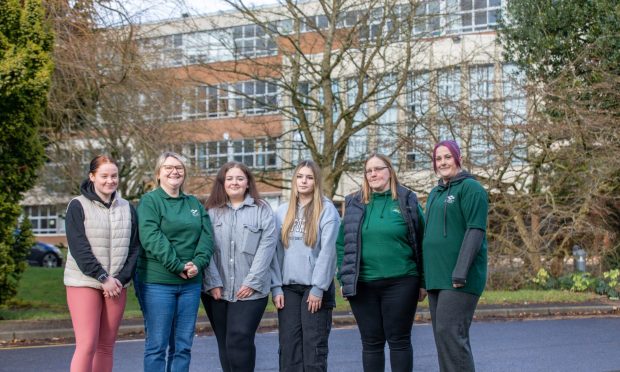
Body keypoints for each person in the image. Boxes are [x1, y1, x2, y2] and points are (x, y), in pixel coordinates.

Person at [336, 153, 426, 372]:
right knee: (371, 343)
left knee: (399, 341)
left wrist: (423, 281)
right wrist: (344, 278)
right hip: (363, 285)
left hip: (402, 283)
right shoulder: (354, 203)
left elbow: (422, 241)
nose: (373, 174)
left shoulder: (407, 200)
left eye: (378, 169)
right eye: (368, 171)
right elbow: (342, 244)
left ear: (389, 171)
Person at [137, 151, 213, 372]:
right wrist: (177, 266)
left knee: (183, 347)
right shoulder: (150, 202)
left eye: (179, 167)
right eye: (168, 167)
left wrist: (197, 263)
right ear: (158, 174)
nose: (174, 171)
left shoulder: (194, 204)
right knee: (157, 346)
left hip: (190, 284)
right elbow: (152, 237)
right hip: (157, 283)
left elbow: (206, 237)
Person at [64, 155, 140, 372]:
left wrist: (120, 279)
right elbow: (79, 248)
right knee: (87, 345)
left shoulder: (127, 208)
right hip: (84, 282)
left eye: (114, 176)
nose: (110, 180)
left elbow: (135, 248)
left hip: (117, 284)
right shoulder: (77, 205)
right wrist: (102, 277)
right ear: (92, 176)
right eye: (104, 175)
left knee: (106, 346)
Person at [202, 161, 276, 372]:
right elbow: (204, 249)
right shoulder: (210, 211)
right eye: (230, 178)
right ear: (222, 183)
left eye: (240, 178)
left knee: (240, 337)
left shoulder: (262, 210)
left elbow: (267, 247)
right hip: (216, 289)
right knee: (225, 343)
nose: (235, 182)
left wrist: (252, 281)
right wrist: (213, 281)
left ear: (247, 183)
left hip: (250, 290)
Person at [423, 140, 488, 372]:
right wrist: (423, 280)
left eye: (447, 157)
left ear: (458, 158)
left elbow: (475, 230)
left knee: (451, 334)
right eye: (438, 158)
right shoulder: (434, 193)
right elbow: (427, 237)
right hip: (436, 278)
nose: (443, 162)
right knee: (443, 338)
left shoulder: (472, 189)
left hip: (459, 278)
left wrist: (460, 272)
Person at [271, 160, 340, 372]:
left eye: (309, 177)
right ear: (294, 181)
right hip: (289, 288)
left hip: (315, 289)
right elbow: (275, 253)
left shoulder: (327, 211)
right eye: (300, 176)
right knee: (289, 348)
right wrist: (275, 287)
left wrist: (318, 288)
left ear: (316, 182)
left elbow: (328, 252)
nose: (304, 181)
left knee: (314, 348)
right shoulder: (282, 212)